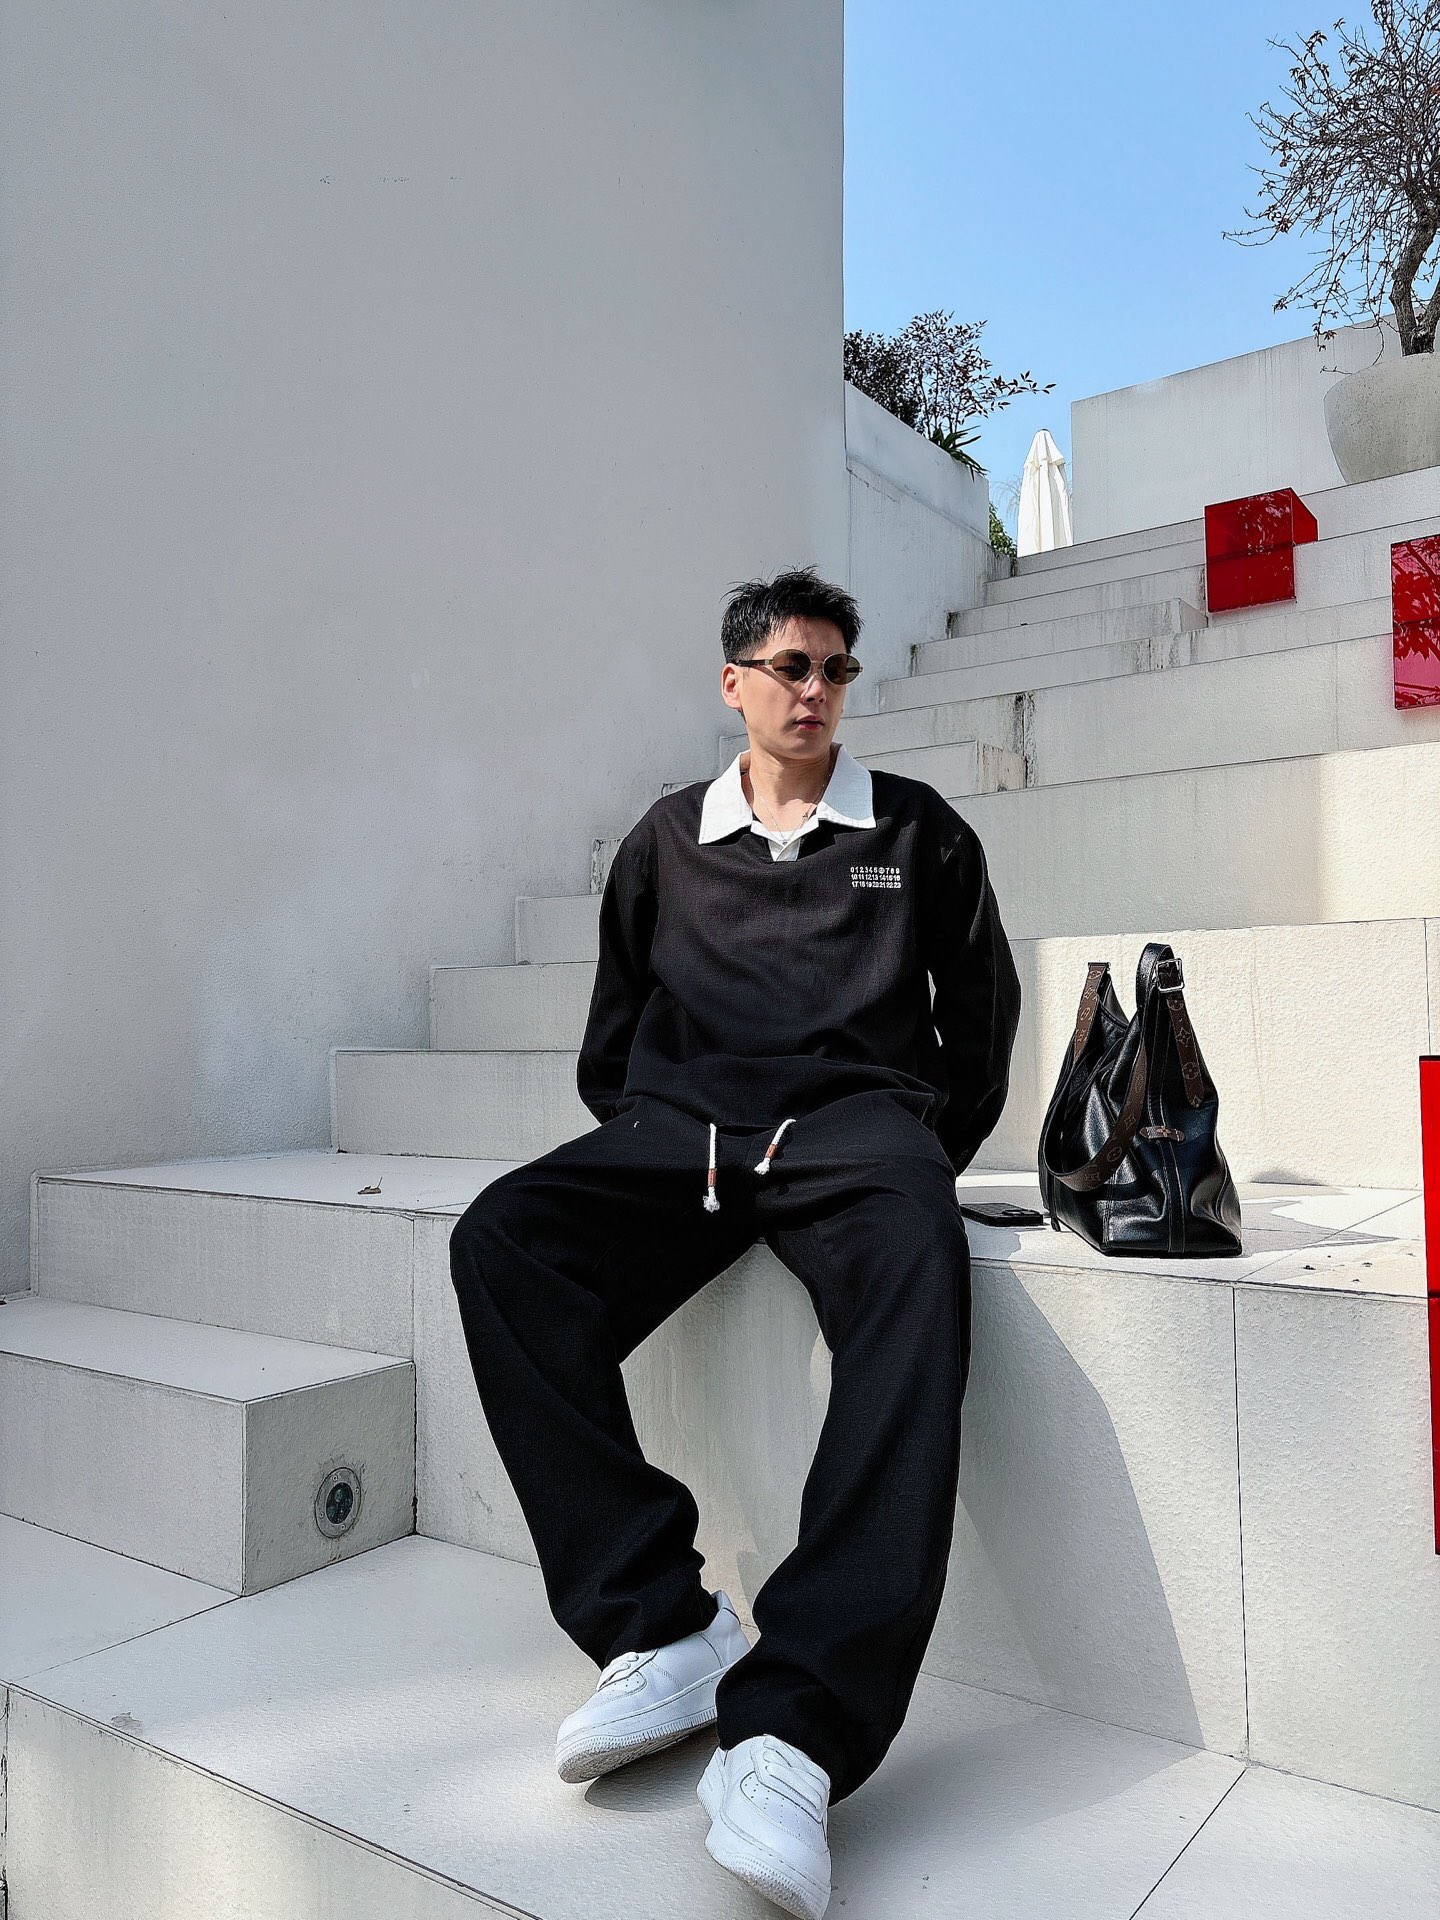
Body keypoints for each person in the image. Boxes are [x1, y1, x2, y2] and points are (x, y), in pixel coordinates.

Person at [449, 564, 1022, 1920]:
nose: (815, 690)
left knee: (920, 1263)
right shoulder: (666, 842)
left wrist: (910, 1145)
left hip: (859, 1133)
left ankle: (796, 1733)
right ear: (734, 683)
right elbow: (611, 1037)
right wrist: (663, 1127)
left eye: (835, 669)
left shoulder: (916, 833)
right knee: (503, 1243)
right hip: (685, 1135)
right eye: (789, 666)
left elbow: (982, 1019)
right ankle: (662, 1626)